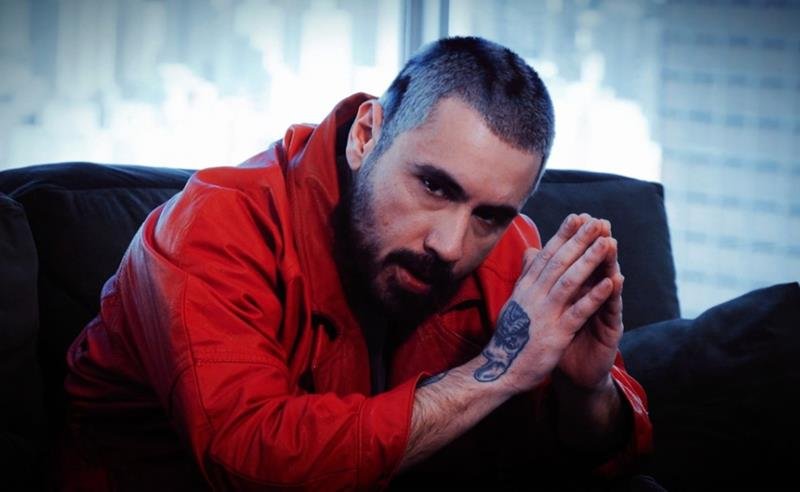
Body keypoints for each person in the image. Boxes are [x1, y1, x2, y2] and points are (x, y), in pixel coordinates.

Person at [63, 36, 652, 491]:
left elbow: (601, 455)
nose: (450, 245)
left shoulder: (509, 252)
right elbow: (249, 462)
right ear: (367, 135)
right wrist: (497, 372)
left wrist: (586, 390)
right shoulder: (211, 228)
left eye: (490, 215)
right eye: (434, 186)